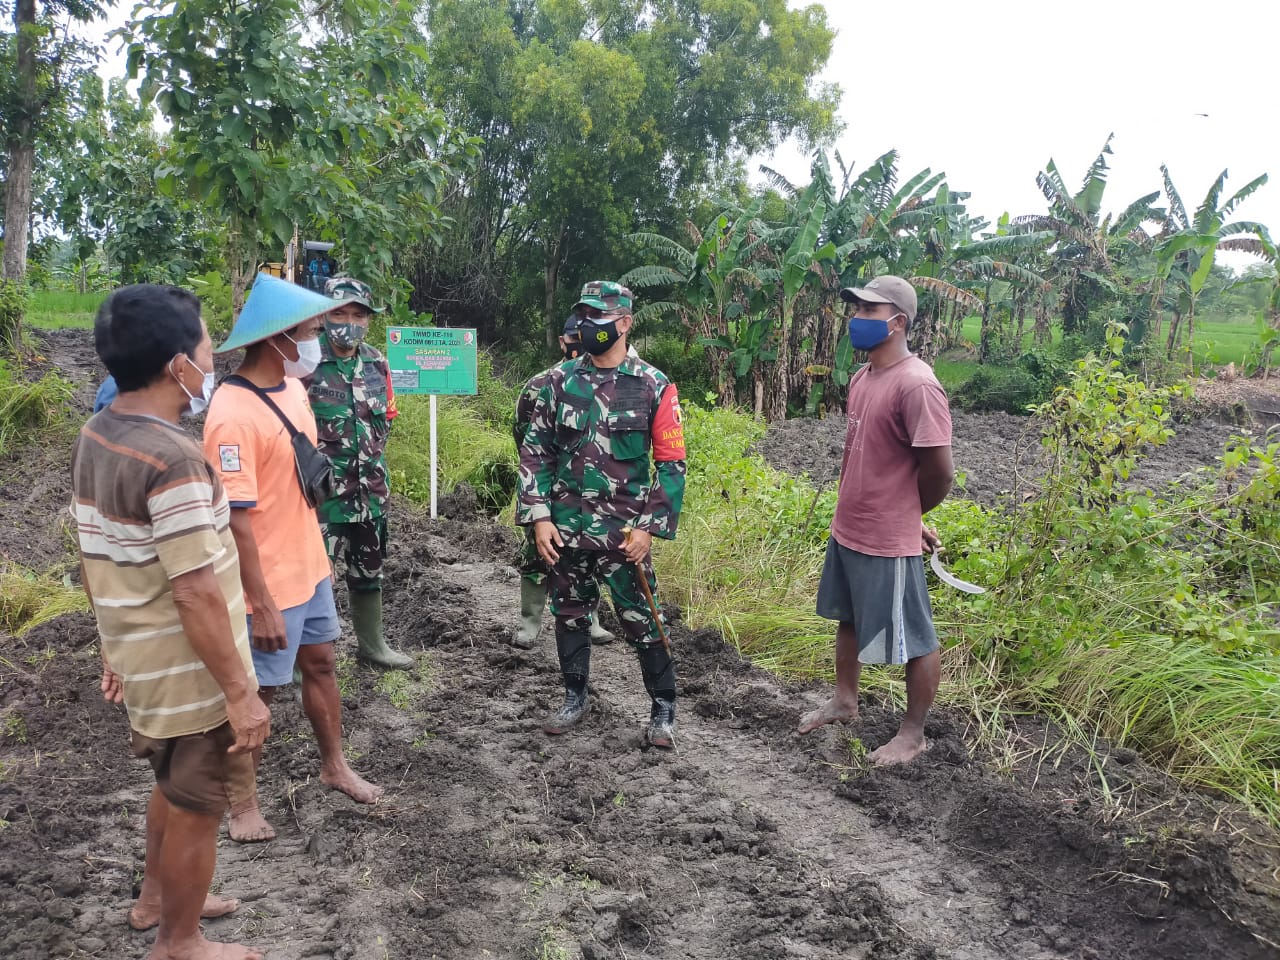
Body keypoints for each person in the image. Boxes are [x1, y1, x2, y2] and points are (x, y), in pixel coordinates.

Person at [72, 284, 270, 960]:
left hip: (142, 656)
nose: (213, 358)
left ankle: (158, 897)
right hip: (191, 674)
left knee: (170, 782)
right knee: (198, 803)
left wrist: (110, 647)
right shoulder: (175, 459)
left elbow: (95, 549)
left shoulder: (100, 432)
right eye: (207, 347)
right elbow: (195, 592)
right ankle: (180, 941)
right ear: (176, 366)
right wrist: (240, 693)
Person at [203, 273, 383, 844]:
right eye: (308, 331)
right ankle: (242, 804)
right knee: (260, 694)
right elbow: (235, 518)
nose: (317, 340)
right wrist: (258, 601)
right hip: (269, 581)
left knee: (323, 666)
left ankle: (334, 766)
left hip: (309, 567)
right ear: (277, 339)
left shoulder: (294, 389)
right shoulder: (232, 413)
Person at [517, 281, 686, 748]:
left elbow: (672, 465)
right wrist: (539, 516)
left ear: (625, 323)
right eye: (584, 318)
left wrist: (650, 528)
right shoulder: (558, 382)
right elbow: (536, 452)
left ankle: (663, 707)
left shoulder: (653, 385)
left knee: (640, 618)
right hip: (565, 527)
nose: (589, 327)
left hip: (624, 533)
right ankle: (574, 696)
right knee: (569, 612)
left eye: (600, 318)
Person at [798, 276, 954, 765]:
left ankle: (913, 734)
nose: (857, 319)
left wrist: (911, 516)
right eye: (857, 309)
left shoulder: (918, 384)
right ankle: (846, 700)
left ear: (898, 322)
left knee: (915, 637)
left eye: (869, 310)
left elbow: (940, 472)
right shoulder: (864, 377)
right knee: (848, 617)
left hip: (887, 536)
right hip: (850, 527)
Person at [305, 276, 412, 669]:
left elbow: (386, 420)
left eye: (357, 314)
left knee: (369, 572)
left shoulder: (377, 362)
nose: (348, 321)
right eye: (339, 312)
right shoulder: (305, 362)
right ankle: (308, 666)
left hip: (369, 492)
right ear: (323, 315)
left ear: (368, 320)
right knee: (312, 582)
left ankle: (372, 647)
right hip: (320, 498)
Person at [511, 310, 614, 649]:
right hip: (546, 488)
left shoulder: (608, 382)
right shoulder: (541, 385)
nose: (578, 346)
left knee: (591, 554)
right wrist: (540, 490)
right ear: (563, 341)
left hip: (591, 490)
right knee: (537, 556)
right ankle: (530, 622)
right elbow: (525, 438)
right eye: (573, 340)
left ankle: (592, 619)